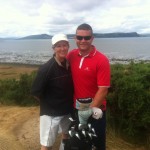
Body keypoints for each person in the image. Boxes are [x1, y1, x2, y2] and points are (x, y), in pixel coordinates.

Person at [67, 23, 111, 150]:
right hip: (76, 109)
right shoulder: (72, 55)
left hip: (96, 111)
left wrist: (90, 110)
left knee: (96, 143)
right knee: (78, 142)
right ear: (75, 38)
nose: (83, 41)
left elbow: (103, 89)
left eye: (87, 38)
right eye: (79, 37)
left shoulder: (101, 60)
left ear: (92, 38)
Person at [31, 33, 74, 150]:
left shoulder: (69, 64)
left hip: (67, 110)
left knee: (67, 135)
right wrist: (50, 104)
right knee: (47, 144)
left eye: (64, 45)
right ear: (53, 48)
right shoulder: (46, 69)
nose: (62, 48)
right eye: (58, 46)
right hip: (51, 113)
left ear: (68, 46)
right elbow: (36, 92)